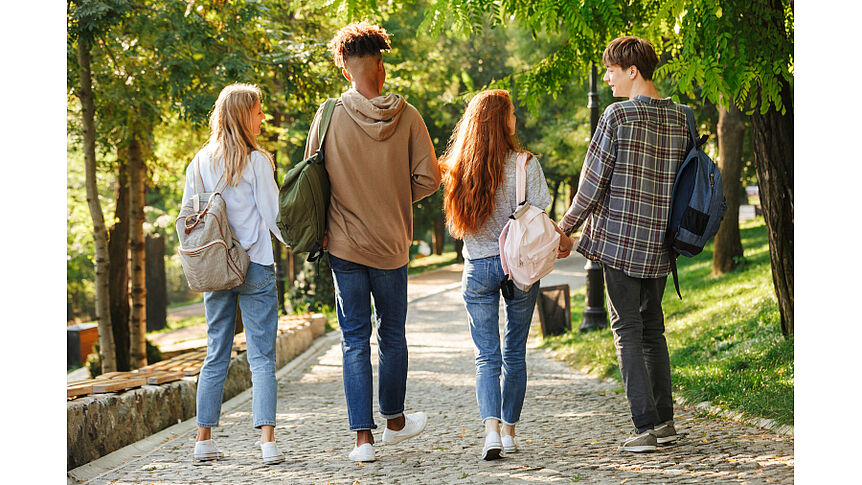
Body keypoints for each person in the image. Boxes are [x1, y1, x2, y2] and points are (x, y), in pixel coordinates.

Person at [303, 21, 441, 462]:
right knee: (393, 334)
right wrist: (397, 197)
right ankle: (395, 423)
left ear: (346, 70)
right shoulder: (408, 116)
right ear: (380, 66)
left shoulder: (326, 117)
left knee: (354, 338)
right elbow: (430, 178)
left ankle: (363, 440)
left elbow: (311, 183)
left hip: (342, 245)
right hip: (391, 246)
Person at [556, 36, 685, 452]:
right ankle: (664, 422)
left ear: (633, 70)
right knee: (653, 330)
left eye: (611, 69)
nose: (607, 77)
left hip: (620, 243)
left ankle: (644, 428)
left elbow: (592, 184)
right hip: (661, 243)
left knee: (626, 329)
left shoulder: (617, 116)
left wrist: (565, 229)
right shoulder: (683, 118)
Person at [440, 89, 571, 460]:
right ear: (502, 121)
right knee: (515, 352)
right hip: (521, 266)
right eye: (511, 113)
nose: (515, 118)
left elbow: (458, 228)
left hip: (478, 266)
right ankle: (511, 433)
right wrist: (566, 241)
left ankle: (491, 432)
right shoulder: (525, 164)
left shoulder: (459, 168)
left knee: (486, 356)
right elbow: (542, 218)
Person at [184, 83, 287, 466]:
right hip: (256, 264)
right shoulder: (257, 161)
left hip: (216, 267)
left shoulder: (200, 161)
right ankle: (267, 444)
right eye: (258, 111)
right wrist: (306, 242)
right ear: (244, 115)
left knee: (216, 354)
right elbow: (274, 216)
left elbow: (190, 216)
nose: (263, 117)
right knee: (262, 359)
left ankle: (203, 439)